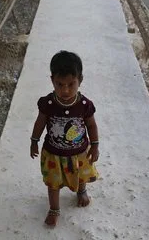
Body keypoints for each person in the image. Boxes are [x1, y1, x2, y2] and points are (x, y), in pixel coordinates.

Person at [30, 51, 100, 227]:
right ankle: (54, 209)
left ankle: (81, 190)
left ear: (80, 80)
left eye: (71, 84)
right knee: (53, 183)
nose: (65, 90)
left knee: (81, 175)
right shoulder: (48, 103)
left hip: (79, 153)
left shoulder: (84, 105)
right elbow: (40, 122)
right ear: (52, 80)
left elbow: (91, 125)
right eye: (59, 84)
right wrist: (34, 140)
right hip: (53, 154)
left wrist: (95, 145)